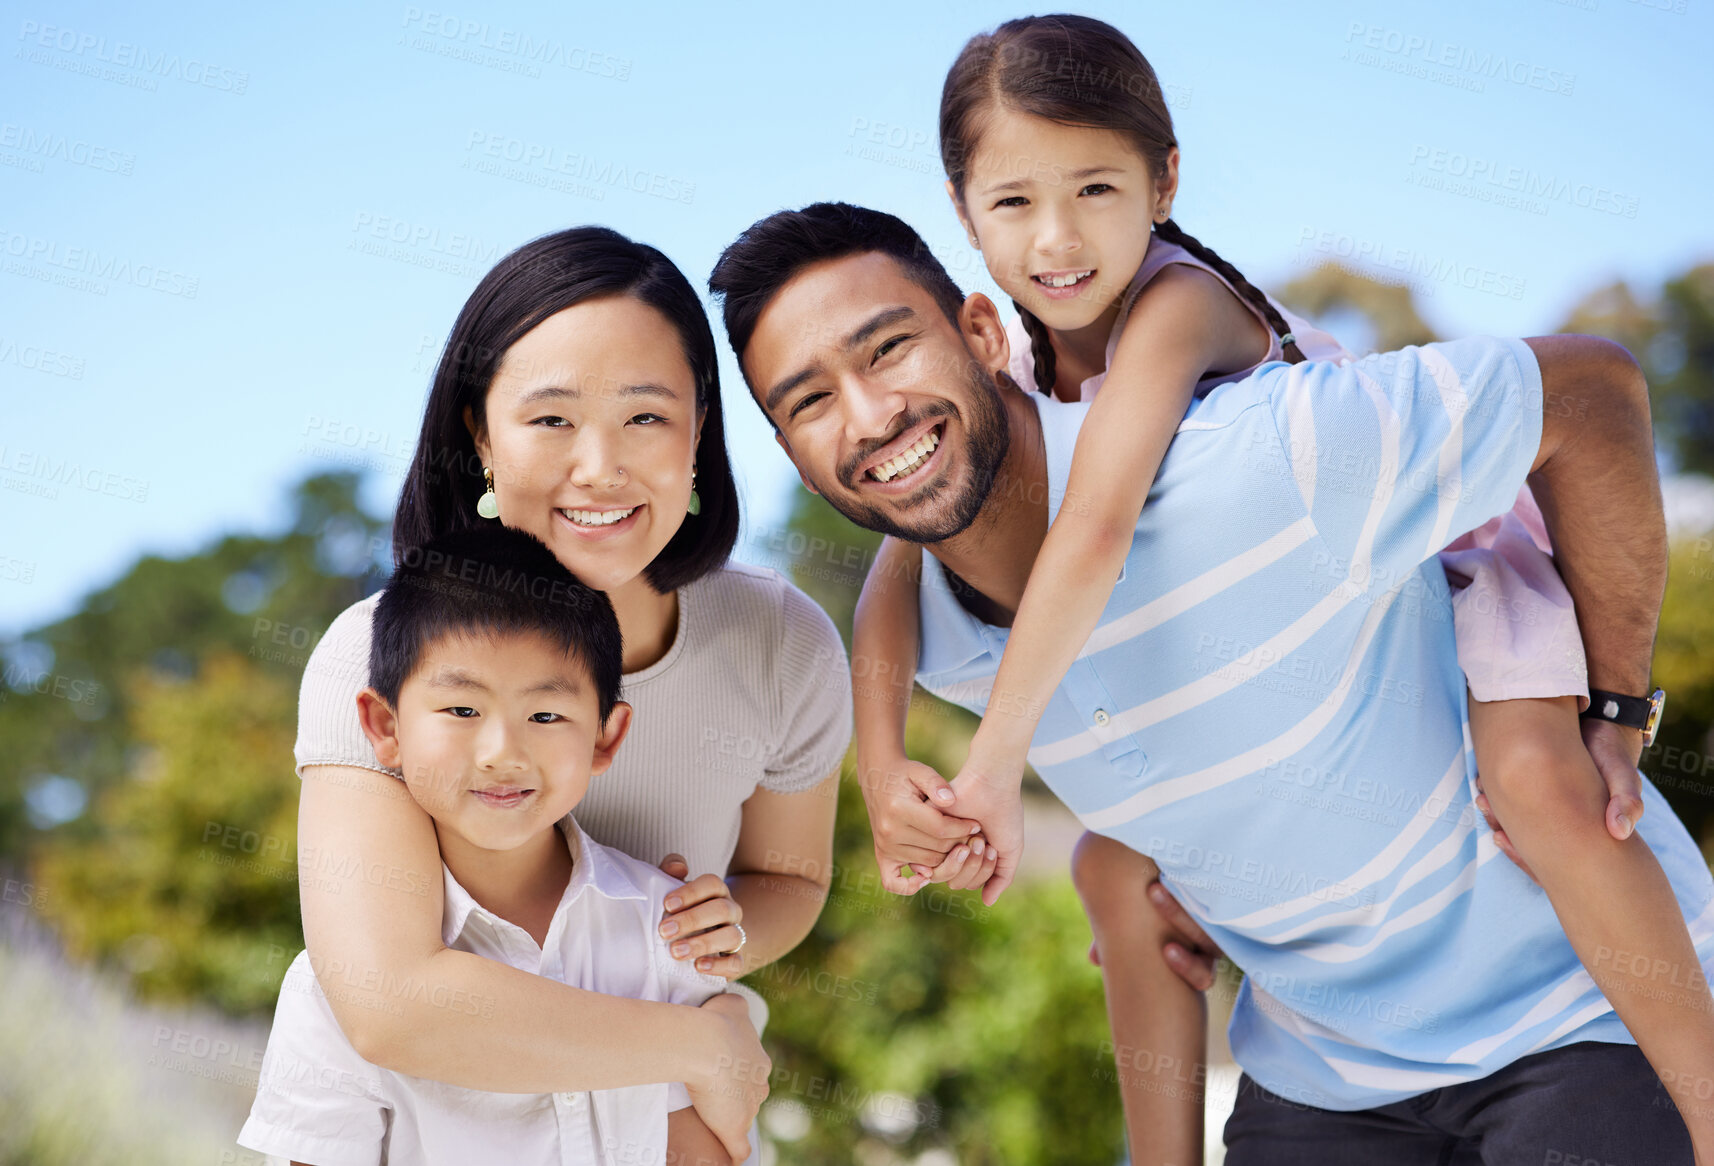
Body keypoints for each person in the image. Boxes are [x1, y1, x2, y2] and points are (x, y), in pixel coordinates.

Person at [843, 15, 1714, 1163]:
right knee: (1114, 859)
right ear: (963, 212)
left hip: (1461, 580)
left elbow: (1100, 522)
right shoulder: (1007, 376)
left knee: (1534, 780)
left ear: (1160, 182)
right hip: (1345, 719)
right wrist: (877, 754)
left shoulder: (1171, 308)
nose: (1055, 239)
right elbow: (887, 578)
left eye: (1093, 188)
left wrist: (992, 762)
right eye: (1011, 204)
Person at [292, 227, 853, 1163]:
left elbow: (792, 879)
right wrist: (700, 1044)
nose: (600, 468)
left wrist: (723, 929)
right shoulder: (371, 657)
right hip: (448, 1115)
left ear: (700, 429)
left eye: (645, 417)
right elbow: (389, 1005)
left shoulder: (780, 642)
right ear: (479, 433)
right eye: (551, 420)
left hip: (666, 1123)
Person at [241, 525, 732, 1165]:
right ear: (384, 726)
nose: (503, 753)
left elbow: (704, 1148)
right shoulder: (340, 982)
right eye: (462, 711)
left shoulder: (669, 928)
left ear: (606, 738)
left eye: (546, 716)